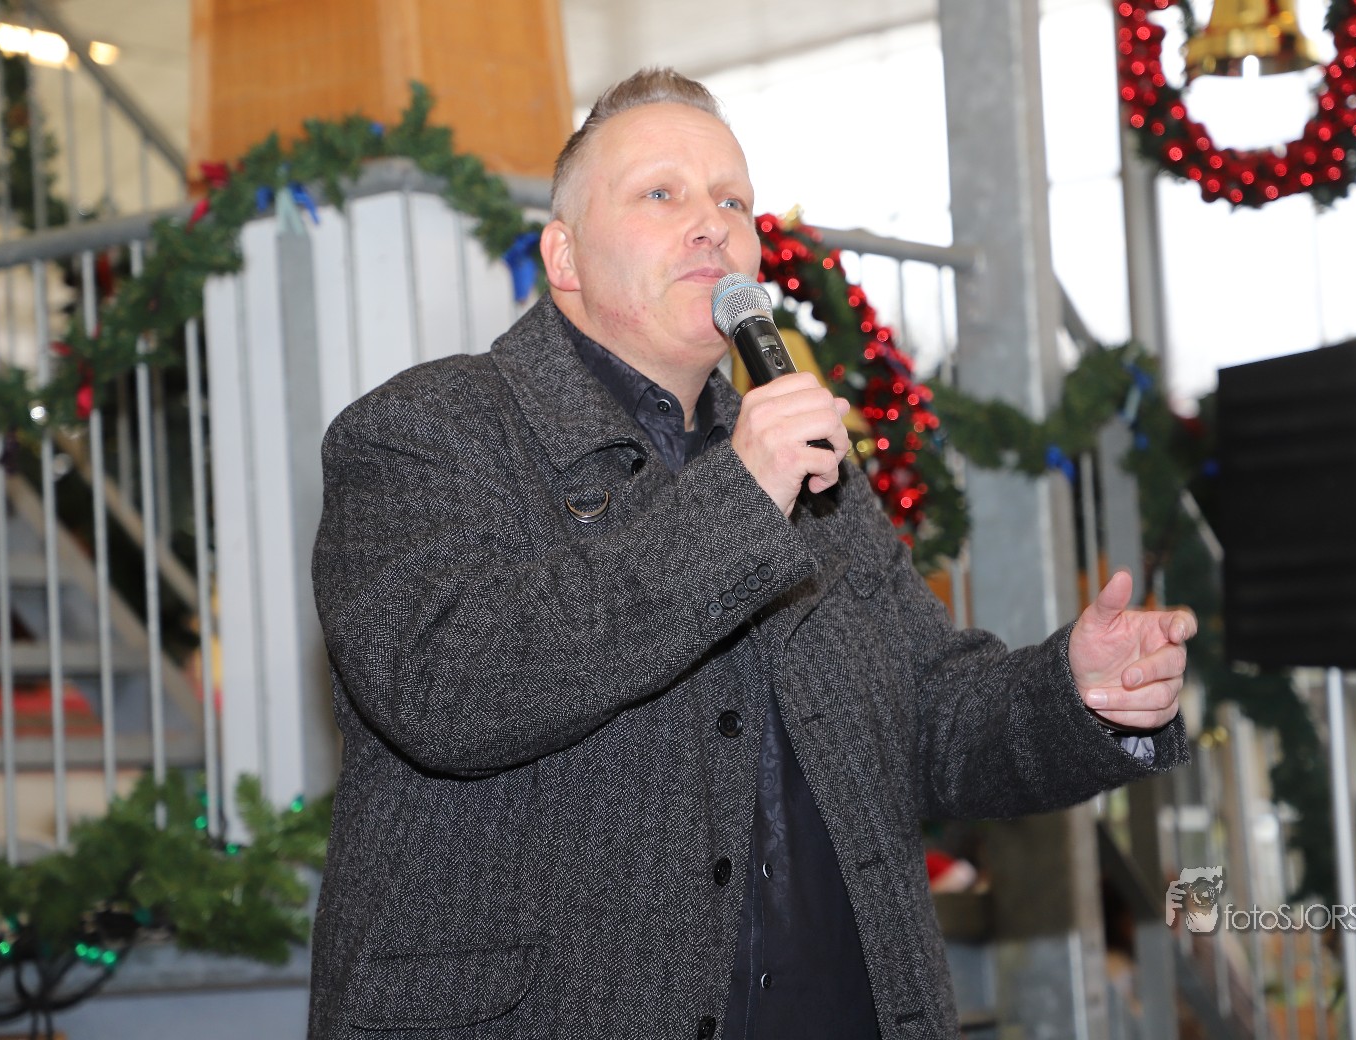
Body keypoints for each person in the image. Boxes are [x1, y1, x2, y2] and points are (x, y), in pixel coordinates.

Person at [308, 67, 1194, 1040]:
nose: (712, 226)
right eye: (661, 194)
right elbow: (450, 686)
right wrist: (741, 494)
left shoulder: (804, 464)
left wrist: (1076, 693)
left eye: (732, 201)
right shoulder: (427, 430)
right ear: (564, 255)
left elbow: (930, 717)